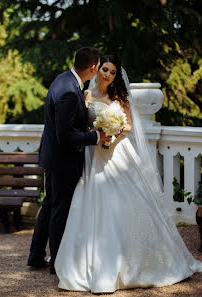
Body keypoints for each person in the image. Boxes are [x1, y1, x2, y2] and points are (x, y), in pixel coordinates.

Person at [54, 55, 202, 293]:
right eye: (104, 70)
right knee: (93, 202)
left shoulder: (119, 98)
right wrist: (97, 132)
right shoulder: (85, 96)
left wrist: (116, 130)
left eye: (112, 72)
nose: (107, 75)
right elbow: (81, 125)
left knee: (130, 202)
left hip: (119, 154)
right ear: (98, 69)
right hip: (94, 155)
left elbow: (130, 125)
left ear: (116, 76)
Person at [27, 47, 112, 274]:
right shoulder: (69, 92)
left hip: (52, 156)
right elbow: (64, 136)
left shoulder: (63, 79)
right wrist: (95, 136)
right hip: (62, 160)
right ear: (93, 68)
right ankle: (56, 263)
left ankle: (36, 256)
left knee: (49, 206)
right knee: (59, 210)